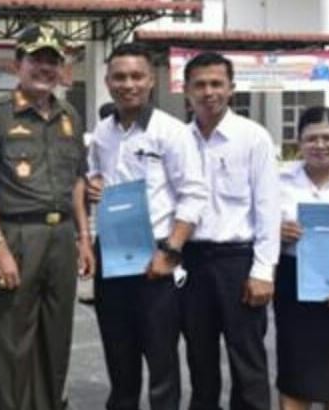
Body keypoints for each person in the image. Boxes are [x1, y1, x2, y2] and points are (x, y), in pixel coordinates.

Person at [0, 24, 95, 410]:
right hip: (17, 236)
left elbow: (77, 181)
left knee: (56, 337)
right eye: (36, 59)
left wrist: (84, 238)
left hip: (62, 237)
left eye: (53, 60)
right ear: (16, 64)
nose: (45, 68)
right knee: (10, 342)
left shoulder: (70, 115)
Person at [86, 42, 207, 410]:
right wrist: (94, 184)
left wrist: (171, 250)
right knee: (119, 355)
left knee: (161, 359)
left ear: (151, 80)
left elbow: (193, 195)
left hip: (156, 255)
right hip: (111, 255)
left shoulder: (172, 132)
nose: (128, 84)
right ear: (107, 82)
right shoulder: (103, 132)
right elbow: (95, 176)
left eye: (137, 76)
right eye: (120, 77)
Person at [180, 52, 280, 410]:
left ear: (231, 88)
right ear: (186, 90)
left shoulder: (253, 138)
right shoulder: (178, 139)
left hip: (237, 260)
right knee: (199, 356)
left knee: (247, 357)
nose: (208, 92)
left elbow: (268, 207)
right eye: (200, 85)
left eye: (216, 84)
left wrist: (263, 270)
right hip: (191, 260)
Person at [276, 106, 329, 410]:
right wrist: (277, 231)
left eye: (328, 138)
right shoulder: (279, 180)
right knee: (295, 371)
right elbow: (257, 225)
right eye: (311, 138)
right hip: (294, 282)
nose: (320, 145)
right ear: (299, 142)